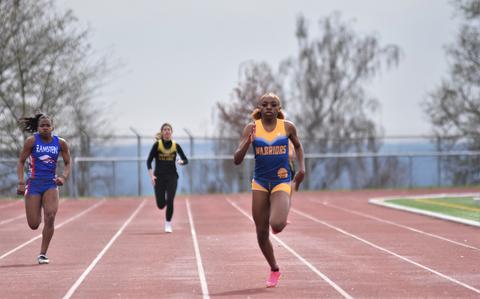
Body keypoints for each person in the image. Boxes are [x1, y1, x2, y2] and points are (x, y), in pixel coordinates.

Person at [234, 92, 305, 288]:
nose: (268, 107)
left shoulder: (287, 127)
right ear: (259, 108)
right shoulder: (251, 128)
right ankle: (274, 269)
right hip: (260, 183)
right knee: (261, 233)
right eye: (264, 104)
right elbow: (236, 159)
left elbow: (298, 147)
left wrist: (302, 169)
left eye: (273, 105)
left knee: (277, 224)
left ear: (278, 109)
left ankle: (282, 210)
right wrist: (248, 142)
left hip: (282, 180)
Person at [16, 113, 71, 264]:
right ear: (38, 127)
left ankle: (42, 254)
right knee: (34, 224)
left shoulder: (60, 143)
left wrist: (63, 177)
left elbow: (68, 163)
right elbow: (21, 162)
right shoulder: (32, 141)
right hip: (34, 184)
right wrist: (21, 182)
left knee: (51, 217)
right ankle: (37, 207)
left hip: (50, 184)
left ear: (52, 127)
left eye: (48, 125)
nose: (45, 128)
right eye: (42, 126)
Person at [146, 123, 188, 233]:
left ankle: (168, 224)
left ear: (171, 132)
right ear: (162, 132)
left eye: (169, 129)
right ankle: (164, 204)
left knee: (170, 200)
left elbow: (185, 159)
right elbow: (149, 161)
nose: (167, 131)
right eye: (165, 129)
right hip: (159, 177)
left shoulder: (175, 145)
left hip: (172, 177)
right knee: (160, 205)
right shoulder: (157, 145)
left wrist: (181, 161)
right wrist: (152, 176)